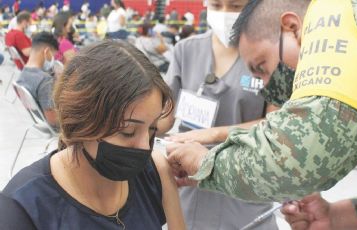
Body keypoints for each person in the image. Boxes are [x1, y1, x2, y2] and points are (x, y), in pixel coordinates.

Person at [167, 0, 357, 228]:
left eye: (262, 67)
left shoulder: (337, 19)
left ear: (292, 27)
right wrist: (338, 217)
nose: (268, 85)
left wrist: (206, 163)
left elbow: (301, 160)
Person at [3, 40, 185, 230]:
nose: (145, 147)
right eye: (127, 132)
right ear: (82, 123)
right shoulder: (21, 209)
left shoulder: (155, 170)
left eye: (152, 128)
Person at [159, 0, 279, 229]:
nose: (224, 14)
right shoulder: (186, 50)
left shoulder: (271, 55)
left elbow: (276, 124)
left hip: (244, 183)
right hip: (189, 185)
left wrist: (211, 134)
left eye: (235, 7)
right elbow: (164, 116)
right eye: (216, 5)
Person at [16, 32, 59, 127]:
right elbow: (53, 120)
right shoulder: (44, 80)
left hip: (39, 119)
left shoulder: (23, 73)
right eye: (53, 55)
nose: (53, 59)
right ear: (46, 51)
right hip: (55, 125)